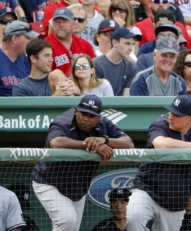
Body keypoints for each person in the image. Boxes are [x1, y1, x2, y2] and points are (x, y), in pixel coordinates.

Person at [126, 95, 191, 231]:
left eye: (177, 115)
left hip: (176, 198)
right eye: (171, 112)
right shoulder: (160, 124)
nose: (171, 117)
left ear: (190, 119)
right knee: (133, 220)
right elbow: (161, 143)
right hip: (147, 189)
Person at [31, 95, 134, 231]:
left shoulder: (103, 123)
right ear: (76, 111)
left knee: (72, 227)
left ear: (98, 118)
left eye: (91, 116)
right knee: (67, 220)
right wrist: (91, 145)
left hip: (77, 187)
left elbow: (129, 143)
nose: (86, 118)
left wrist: (105, 140)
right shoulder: (64, 121)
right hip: (49, 182)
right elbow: (56, 142)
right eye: (83, 113)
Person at [13, 39, 80, 96]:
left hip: (69, 111)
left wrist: (75, 90)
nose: (51, 59)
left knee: (57, 73)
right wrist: (57, 96)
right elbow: (29, 111)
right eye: (46, 55)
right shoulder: (21, 88)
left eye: (51, 55)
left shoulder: (56, 77)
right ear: (33, 59)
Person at [46, 7, 96, 76]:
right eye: (57, 22)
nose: (61, 25)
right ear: (53, 24)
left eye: (65, 22)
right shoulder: (45, 46)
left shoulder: (85, 45)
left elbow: (95, 70)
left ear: (73, 24)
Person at [94, 27, 140, 96]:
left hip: (120, 106)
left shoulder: (131, 67)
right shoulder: (96, 64)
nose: (131, 48)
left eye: (132, 44)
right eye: (127, 43)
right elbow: (96, 96)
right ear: (114, 43)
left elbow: (126, 98)